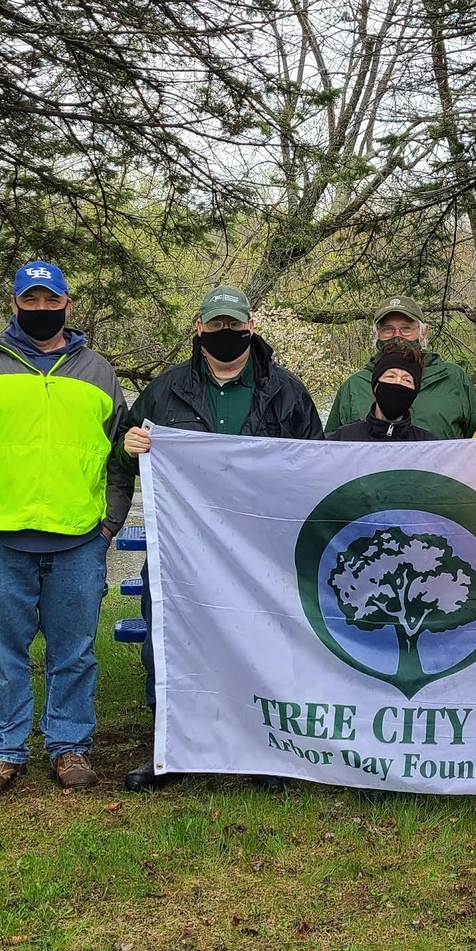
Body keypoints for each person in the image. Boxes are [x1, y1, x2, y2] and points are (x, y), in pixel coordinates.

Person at [0, 261, 133, 797]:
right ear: (15, 303)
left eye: (51, 300)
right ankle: (3, 752)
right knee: (3, 653)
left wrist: (109, 524)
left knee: (76, 652)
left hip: (79, 539)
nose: (41, 309)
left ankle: (69, 746)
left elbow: (119, 456)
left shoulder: (98, 371)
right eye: (31, 300)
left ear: (67, 303)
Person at [118, 285, 323, 789]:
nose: (225, 333)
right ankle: (172, 747)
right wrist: (129, 445)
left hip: (262, 546)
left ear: (251, 328)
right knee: (170, 639)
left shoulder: (286, 391)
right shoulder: (166, 390)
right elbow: (121, 454)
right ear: (200, 328)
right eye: (216, 325)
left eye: (234, 325)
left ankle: (265, 751)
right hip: (182, 545)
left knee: (265, 641)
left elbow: (316, 465)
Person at [325, 297, 476, 439]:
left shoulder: (453, 378)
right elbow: (329, 451)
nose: (398, 336)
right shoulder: (354, 386)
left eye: (406, 328)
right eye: (388, 329)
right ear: (375, 334)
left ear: (423, 332)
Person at [330, 344, 436, 441]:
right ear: (376, 385)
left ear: (415, 393)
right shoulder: (343, 439)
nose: (397, 383)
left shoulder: (428, 446)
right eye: (391, 376)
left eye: (406, 380)